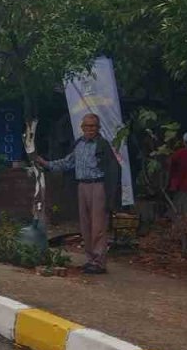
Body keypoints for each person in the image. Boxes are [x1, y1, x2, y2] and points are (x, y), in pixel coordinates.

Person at [29, 113, 122, 275]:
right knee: (85, 224)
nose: (89, 129)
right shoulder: (79, 144)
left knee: (98, 225)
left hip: (98, 185)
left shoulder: (103, 145)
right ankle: (90, 259)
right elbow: (68, 162)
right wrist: (47, 163)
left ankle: (99, 262)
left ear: (98, 128)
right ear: (82, 128)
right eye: (86, 126)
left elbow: (114, 169)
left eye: (93, 126)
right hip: (82, 186)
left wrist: (112, 193)